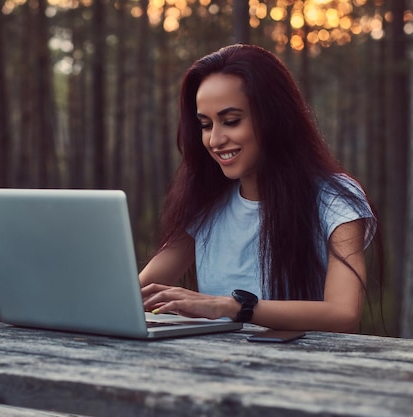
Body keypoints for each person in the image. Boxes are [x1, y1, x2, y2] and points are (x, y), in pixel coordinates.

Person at [139, 44, 381, 333]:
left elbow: (343, 313)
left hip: (308, 372)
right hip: (213, 370)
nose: (215, 140)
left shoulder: (335, 198)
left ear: (273, 118)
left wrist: (234, 307)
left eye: (231, 121)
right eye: (205, 124)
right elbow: (138, 291)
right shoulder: (205, 201)